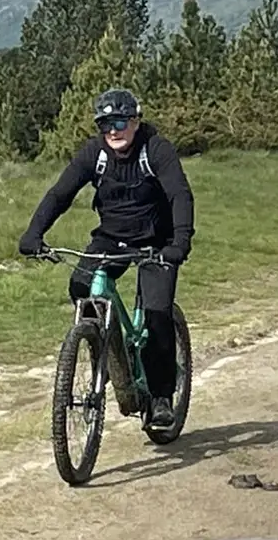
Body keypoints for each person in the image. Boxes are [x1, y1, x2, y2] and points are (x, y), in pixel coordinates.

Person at [17, 88, 195, 430]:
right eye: (105, 123)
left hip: (157, 241)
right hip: (112, 237)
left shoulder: (156, 149)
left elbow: (179, 194)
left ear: (135, 121)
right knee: (81, 286)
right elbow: (60, 194)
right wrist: (33, 234)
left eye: (120, 121)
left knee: (157, 313)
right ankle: (102, 350)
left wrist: (180, 242)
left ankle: (160, 396)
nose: (113, 130)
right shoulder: (94, 153)